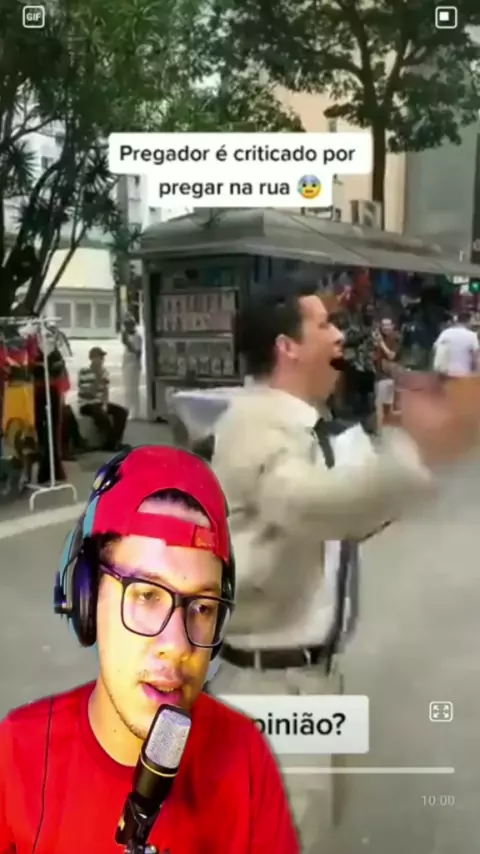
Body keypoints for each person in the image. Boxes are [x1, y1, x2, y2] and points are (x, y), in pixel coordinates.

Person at [208, 282, 480, 852]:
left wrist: (404, 462)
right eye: (324, 326)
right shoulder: (253, 423)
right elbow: (309, 504)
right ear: (287, 347)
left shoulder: (306, 424)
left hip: (315, 679)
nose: (340, 337)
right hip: (269, 688)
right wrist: (414, 453)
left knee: (316, 823)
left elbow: (343, 522)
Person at [0, 445, 299, 854]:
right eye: (146, 595)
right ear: (86, 599)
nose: (177, 646)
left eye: (203, 607)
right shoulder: (15, 756)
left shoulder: (246, 757)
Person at [78, 346, 128, 451]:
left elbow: (105, 390)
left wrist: (105, 404)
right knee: (100, 415)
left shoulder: (104, 372)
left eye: (102, 357)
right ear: (92, 358)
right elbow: (89, 393)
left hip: (99, 403)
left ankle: (114, 442)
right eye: (99, 357)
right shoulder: (84, 372)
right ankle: (113, 444)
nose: (101, 360)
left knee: (122, 412)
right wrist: (97, 377)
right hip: (87, 404)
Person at [433, 311, 479, 378]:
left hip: (445, 374)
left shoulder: (445, 333)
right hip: (464, 374)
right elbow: (476, 357)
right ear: (468, 321)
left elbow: (436, 349)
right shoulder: (472, 335)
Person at [374, 316, 400, 428]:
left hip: (388, 375)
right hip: (378, 374)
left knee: (386, 406)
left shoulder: (395, 339)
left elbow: (391, 355)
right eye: (383, 325)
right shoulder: (378, 339)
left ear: (393, 326)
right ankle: (380, 429)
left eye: (388, 325)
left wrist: (381, 343)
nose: (385, 327)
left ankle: (385, 428)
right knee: (378, 405)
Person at [121, 314, 142, 419]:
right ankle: (128, 409)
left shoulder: (137, 337)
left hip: (133, 365)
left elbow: (137, 352)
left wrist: (127, 343)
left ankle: (135, 411)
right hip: (127, 364)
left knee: (132, 389)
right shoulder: (129, 336)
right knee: (127, 388)